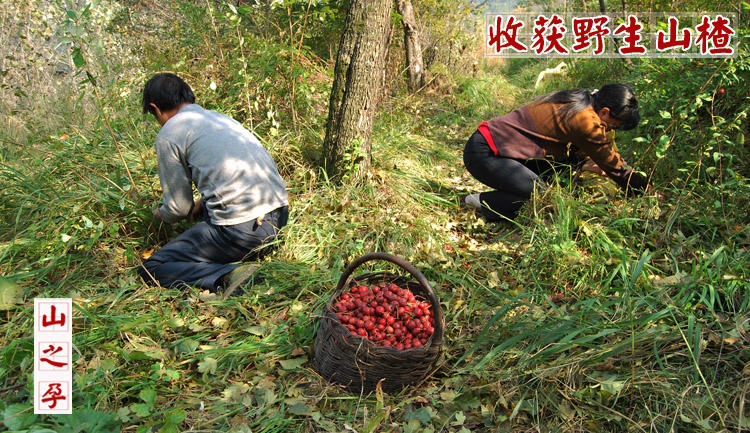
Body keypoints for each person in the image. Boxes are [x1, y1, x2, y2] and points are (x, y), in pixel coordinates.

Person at [138, 73, 289, 296]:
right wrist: (202, 203)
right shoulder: (219, 118)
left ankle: (228, 275)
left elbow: (178, 209)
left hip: (242, 232)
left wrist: (157, 217)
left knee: (153, 267)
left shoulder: (170, 133)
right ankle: (245, 253)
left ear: (156, 108)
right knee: (207, 214)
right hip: (278, 217)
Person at [461, 83, 648, 221]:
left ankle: (504, 195)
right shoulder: (586, 119)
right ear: (606, 112)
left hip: (503, 151)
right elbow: (613, 164)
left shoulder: (585, 100)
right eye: (613, 126)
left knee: (562, 182)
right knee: (543, 199)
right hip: (484, 153)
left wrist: (583, 163)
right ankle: (479, 201)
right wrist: (644, 188)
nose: (609, 130)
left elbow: (577, 150)